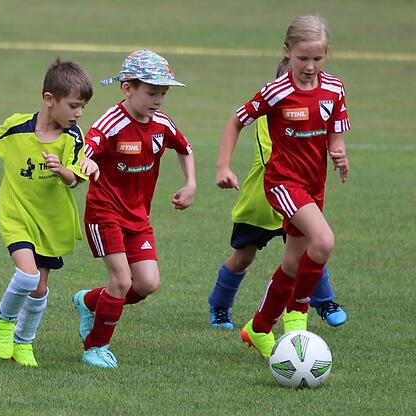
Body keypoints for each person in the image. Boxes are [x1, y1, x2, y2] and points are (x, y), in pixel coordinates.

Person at [0, 58, 98, 367]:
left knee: (40, 288)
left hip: (50, 221)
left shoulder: (73, 137)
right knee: (27, 277)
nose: (79, 113)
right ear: (49, 99)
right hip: (16, 214)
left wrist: (61, 171)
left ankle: (24, 342)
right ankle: (4, 321)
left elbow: (75, 179)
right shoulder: (18, 126)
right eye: (73, 106)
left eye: (82, 107)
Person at [216, 15, 350, 358]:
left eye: (317, 59)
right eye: (302, 58)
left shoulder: (334, 88)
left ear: (326, 55)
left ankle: (258, 328)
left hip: (313, 185)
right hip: (283, 183)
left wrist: (338, 151)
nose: (309, 66)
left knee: (293, 264)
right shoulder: (277, 92)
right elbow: (236, 121)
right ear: (287, 51)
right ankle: (296, 312)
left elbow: (335, 129)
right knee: (324, 241)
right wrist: (223, 166)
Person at [73, 49, 196, 368]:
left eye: (163, 94)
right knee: (122, 281)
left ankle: (89, 302)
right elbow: (87, 147)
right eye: (151, 92)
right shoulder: (112, 122)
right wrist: (85, 161)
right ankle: (95, 348)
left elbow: (185, 148)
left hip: (138, 217)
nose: (158, 100)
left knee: (147, 283)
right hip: (105, 212)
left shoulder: (162, 124)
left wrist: (190, 184)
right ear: (127, 88)